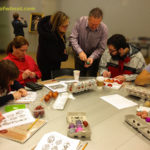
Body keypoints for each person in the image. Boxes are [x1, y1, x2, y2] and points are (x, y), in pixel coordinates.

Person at [69, 7, 108, 77]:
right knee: (79, 77)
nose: (94, 27)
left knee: (92, 77)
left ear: (100, 21)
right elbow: (73, 38)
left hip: (94, 56)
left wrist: (92, 57)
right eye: (92, 24)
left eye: (97, 24)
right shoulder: (81, 21)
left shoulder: (104, 28)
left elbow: (101, 48)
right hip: (79, 53)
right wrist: (80, 51)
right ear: (88, 19)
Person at [37, 11, 69, 80]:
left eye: (67, 25)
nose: (66, 28)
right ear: (57, 24)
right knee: (48, 82)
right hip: (46, 64)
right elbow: (53, 55)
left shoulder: (59, 30)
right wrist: (64, 56)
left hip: (55, 62)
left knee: (54, 80)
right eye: (64, 26)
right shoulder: (47, 34)